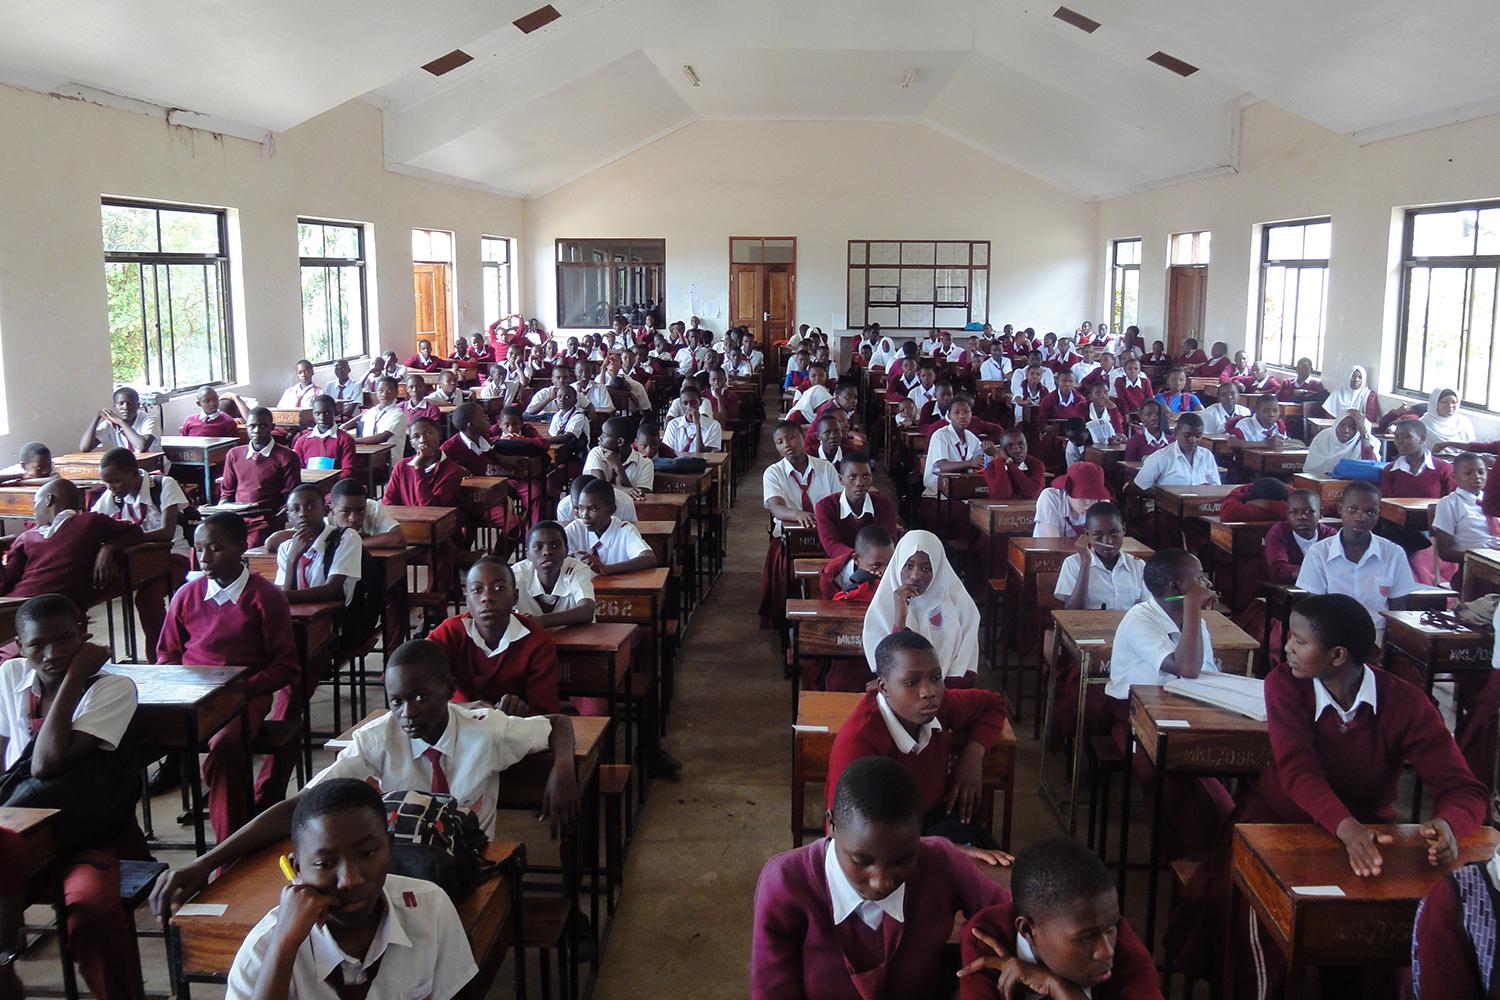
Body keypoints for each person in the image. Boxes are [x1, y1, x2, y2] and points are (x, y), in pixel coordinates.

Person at [1172, 594, 1486, 994]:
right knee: (1271, 934)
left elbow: (1463, 788)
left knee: (1379, 951)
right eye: (1290, 636)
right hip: (1275, 831)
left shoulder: (1405, 703)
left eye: (1300, 641)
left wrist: (1449, 825)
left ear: (1338, 656)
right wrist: (1347, 828)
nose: (1287, 647)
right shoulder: (1284, 684)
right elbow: (1298, 771)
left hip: (1367, 839)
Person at [150, 642, 579, 935]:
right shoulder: (378, 738)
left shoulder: (488, 731)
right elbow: (303, 807)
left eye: (420, 698)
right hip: (396, 858)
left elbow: (558, 724)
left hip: (464, 857)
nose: (406, 712)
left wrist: (562, 771)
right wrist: (204, 864)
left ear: (449, 691)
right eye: (396, 700)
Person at [750, 757, 1006, 1000]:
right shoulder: (786, 884)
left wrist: (976, 986)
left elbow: (1009, 918)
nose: (881, 882)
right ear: (831, 826)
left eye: (903, 860)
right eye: (861, 861)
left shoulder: (942, 862)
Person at [221, 778, 478, 1000]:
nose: (350, 880)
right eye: (325, 863)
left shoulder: (429, 908)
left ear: (389, 846)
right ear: (296, 869)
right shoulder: (264, 948)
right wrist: (285, 946)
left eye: (368, 853)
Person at [157, 513, 300, 840]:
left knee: (224, 746)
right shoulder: (187, 595)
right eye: (199, 549)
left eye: (215, 549)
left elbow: (285, 666)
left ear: (242, 547)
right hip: (193, 695)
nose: (204, 558)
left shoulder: (265, 597)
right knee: (135, 734)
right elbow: (166, 654)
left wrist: (241, 691)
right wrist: (178, 685)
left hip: (243, 695)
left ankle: (230, 843)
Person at [826, 632, 1011, 849]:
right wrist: (948, 852)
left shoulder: (936, 706)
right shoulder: (858, 743)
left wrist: (972, 756)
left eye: (935, 678)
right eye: (911, 682)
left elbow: (993, 704)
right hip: (883, 845)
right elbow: (844, 835)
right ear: (883, 688)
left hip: (931, 821)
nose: (928, 692)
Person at [1105, 550, 1231, 860]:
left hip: (1184, 709)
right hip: (1136, 718)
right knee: (1171, 771)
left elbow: (1204, 672)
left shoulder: (1191, 619)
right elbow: (1186, 667)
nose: (1205, 584)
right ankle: (1196, 858)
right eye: (1198, 579)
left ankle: (1214, 851)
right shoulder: (1140, 619)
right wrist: (1192, 606)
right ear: (1176, 588)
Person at [959, 836, 1159, 1000]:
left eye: (1110, 929)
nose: (1107, 952)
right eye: (1086, 937)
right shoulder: (987, 937)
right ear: (1028, 931)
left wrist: (1059, 988)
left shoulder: (1127, 951)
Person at [1295, 480, 1419, 647]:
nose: (1360, 518)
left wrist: (1389, 651)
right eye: (1352, 510)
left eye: (1370, 512)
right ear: (1340, 509)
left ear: (1378, 515)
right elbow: (1315, 612)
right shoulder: (1319, 553)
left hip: (1379, 637)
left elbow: (1398, 611)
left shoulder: (1393, 554)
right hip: (1332, 637)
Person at [428, 557, 559, 713]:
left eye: (499, 588)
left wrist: (524, 711)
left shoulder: (537, 643)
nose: (487, 597)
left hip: (514, 731)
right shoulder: (448, 634)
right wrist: (463, 708)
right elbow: (416, 686)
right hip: (458, 729)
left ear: (515, 597)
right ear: (467, 600)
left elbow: (546, 714)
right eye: (477, 590)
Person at [92, 447, 190, 653]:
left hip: (172, 557)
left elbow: (166, 532)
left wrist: (119, 543)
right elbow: (90, 522)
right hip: (138, 563)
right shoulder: (114, 496)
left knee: (147, 598)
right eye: (107, 483)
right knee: (95, 589)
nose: (112, 488)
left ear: (135, 472)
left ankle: (163, 654)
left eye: (117, 481)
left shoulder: (163, 485)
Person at [0, 478, 144, 614]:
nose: (33, 512)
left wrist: (109, 547)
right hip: (15, 605)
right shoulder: (26, 537)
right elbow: (4, 584)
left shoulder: (90, 522)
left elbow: (135, 531)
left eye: (35, 503)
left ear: (49, 499)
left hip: (46, 608)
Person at [861, 530, 980, 687]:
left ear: (938, 569)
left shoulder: (961, 606)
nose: (915, 575)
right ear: (897, 564)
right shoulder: (883, 606)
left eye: (926, 569)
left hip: (949, 694)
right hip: (901, 696)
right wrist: (900, 619)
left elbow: (966, 672)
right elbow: (886, 668)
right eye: (909, 566)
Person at [759, 421, 839, 628]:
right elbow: (776, 507)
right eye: (779, 442)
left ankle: (827, 617)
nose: (787, 444)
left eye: (791, 438)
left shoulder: (825, 468)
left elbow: (837, 503)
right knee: (786, 570)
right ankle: (788, 621)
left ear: (804, 437)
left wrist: (822, 521)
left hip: (824, 536)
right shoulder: (773, 473)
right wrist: (797, 514)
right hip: (789, 540)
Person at [266, 484, 364, 607]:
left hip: (337, 620)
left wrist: (278, 596)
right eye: (295, 509)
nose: (303, 514)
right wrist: (292, 559)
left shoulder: (345, 537)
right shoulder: (286, 548)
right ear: (288, 517)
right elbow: (288, 602)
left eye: (310, 507)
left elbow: (332, 591)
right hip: (300, 620)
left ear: (326, 510)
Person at [218, 406, 301, 546]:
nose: (257, 430)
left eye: (262, 426)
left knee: (249, 544)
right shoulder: (234, 454)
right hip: (237, 517)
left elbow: (291, 496)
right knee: (212, 540)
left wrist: (277, 518)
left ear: (272, 427)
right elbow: (227, 493)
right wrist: (220, 511)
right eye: (252, 426)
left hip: (265, 518)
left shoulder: (287, 456)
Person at [1055, 502, 1146, 610]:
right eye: (1098, 535)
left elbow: (1147, 609)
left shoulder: (1138, 566)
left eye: (1114, 533)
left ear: (1124, 530)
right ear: (1087, 534)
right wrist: (1085, 563)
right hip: (1088, 626)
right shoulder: (1073, 564)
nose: (1108, 541)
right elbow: (1072, 612)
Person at [814, 453, 898, 563]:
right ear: (841, 480)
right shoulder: (825, 506)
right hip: (840, 566)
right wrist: (860, 559)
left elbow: (888, 541)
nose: (860, 483)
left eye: (865, 476)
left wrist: (868, 561)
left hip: (876, 565)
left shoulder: (884, 505)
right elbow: (831, 545)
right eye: (853, 477)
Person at [563, 480, 656, 577]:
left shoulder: (624, 530)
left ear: (611, 510)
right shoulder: (575, 528)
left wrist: (606, 568)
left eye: (593, 509)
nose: (584, 515)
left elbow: (649, 558)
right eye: (581, 508)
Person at [512, 521, 596, 628]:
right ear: (528, 554)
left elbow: (587, 610)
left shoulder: (577, 569)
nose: (547, 552)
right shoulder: (516, 574)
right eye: (538, 547)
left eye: (555, 546)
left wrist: (542, 621)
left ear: (566, 551)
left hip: (573, 640)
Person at [1432, 452, 1498, 588]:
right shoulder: (1449, 504)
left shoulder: (1494, 501)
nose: (1477, 477)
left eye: (1481, 472)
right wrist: (1481, 557)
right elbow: (1445, 552)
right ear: (1455, 477)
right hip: (1475, 570)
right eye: (1468, 473)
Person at [1131, 412, 1219, 489]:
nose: (1193, 440)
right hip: (1168, 506)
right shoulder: (1160, 457)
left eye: (1198, 436)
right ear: (1176, 433)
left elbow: (1216, 487)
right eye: (1187, 435)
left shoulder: (1207, 456)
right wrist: (1165, 495)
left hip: (1201, 505)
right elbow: (1138, 488)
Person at [922, 395, 988, 497]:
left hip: (963, 491)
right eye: (956, 413)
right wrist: (970, 463)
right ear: (949, 416)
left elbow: (980, 457)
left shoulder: (971, 437)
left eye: (966, 412)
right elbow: (943, 466)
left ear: (971, 415)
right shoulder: (940, 435)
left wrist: (988, 452)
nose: (962, 416)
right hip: (939, 494)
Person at [1382, 417, 1456, 499]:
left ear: (1422, 439)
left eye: (1406, 436)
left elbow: (1452, 503)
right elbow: (1387, 504)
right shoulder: (1390, 470)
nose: (1399, 441)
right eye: (1397, 437)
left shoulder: (1444, 469)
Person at [1034, 463, 1111, 540]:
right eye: (1082, 496)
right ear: (1068, 490)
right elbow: (1052, 544)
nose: (1088, 502)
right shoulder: (1051, 497)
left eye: (1094, 497)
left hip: (1084, 551)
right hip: (1048, 551)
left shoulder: (1101, 502)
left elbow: (1104, 540)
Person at [819, 525, 895, 603]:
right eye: (876, 565)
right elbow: (831, 610)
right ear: (856, 559)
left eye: (889, 563)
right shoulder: (831, 577)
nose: (885, 571)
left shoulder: (899, 569)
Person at [345, 375, 409, 462]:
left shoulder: (398, 414)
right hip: (368, 456)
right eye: (381, 391)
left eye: (389, 391)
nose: (384, 394)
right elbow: (360, 418)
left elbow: (382, 437)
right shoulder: (372, 411)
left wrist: (352, 440)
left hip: (388, 462)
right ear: (376, 392)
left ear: (396, 393)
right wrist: (344, 426)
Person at [292, 394, 357, 479]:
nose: (322, 418)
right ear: (313, 414)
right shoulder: (302, 441)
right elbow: (297, 469)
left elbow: (348, 471)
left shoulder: (345, 440)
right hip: (308, 487)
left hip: (334, 487)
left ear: (335, 413)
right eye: (317, 413)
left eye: (327, 413)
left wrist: (326, 484)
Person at [79, 385, 158, 453]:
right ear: (114, 407)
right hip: (125, 466)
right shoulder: (109, 423)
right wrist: (97, 417)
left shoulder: (149, 419)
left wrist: (121, 422)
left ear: (138, 405)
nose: (125, 407)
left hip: (152, 467)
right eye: (121, 403)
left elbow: (141, 447)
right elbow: (84, 447)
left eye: (130, 403)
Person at [584, 415, 653, 491]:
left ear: (620, 442)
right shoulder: (597, 453)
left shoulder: (645, 463)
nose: (599, 438)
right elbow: (600, 487)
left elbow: (641, 496)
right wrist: (625, 490)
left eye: (605, 435)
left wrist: (618, 468)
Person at [1303, 411, 1379, 475]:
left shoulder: (1368, 442)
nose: (1346, 430)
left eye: (1353, 428)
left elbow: (1371, 469)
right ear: (1336, 425)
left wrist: (1363, 432)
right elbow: (1310, 471)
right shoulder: (1323, 438)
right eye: (1342, 425)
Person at [982, 429, 1045, 501]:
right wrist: (998, 457)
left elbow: (1033, 493)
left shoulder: (1036, 464)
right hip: (1002, 512)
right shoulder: (992, 467)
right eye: (1010, 446)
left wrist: (1009, 462)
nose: (1017, 450)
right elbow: (1002, 496)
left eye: (1022, 445)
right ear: (1002, 449)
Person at [1123, 399, 1172, 463]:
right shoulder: (1135, 441)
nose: (1154, 418)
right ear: (1141, 418)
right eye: (1148, 415)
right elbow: (1128, 467)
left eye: (1158, 414)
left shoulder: (1172, 442)